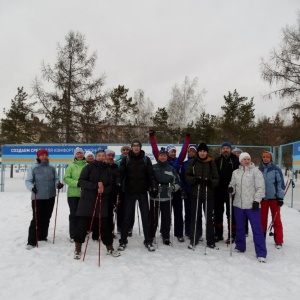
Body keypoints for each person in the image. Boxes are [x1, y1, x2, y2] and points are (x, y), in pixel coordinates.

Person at [74, 148, 120, 259]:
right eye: (99, 155)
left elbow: (111, 185)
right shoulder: (88, 167)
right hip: (87, 201)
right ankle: (78, 249)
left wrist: (104, 189)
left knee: (105, 226)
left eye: (103, 156)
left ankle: (109, 247)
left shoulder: (108, 169)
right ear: (96, 157)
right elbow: (81, 182)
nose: (101, 157)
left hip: (101, 201)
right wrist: (95, 186)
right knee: (82, 226)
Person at [149, 129, 190, 242]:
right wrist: (152, 137)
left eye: (174, 151)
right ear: (166, 154)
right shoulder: (159, 164)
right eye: (171, 151)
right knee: (159, 213)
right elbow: (154, 150)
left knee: (177, 212)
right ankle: (157, 232)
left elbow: (183, 152)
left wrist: (187, 139)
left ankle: (178, 233)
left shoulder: (177, 163)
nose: (173, 153)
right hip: (161, 191)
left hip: (174, 190)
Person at [118, 138, 158, 252]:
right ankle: (123, 241)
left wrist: (153, 186)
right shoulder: (126, 159)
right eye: (134, 145)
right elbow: (121, 174)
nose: (136, 147)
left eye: (138, 145)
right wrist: (118, 182)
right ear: (131, 147)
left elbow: (151, 175)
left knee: (146, 218)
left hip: (142, 192)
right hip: (130, 192)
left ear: (140, 147)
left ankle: (148, 241)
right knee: (127, 218)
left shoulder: (146, 159)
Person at [228, 152, 267, 263]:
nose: (247, 161)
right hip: (238, 204)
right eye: (244, 159)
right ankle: (240, 246)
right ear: (240, 161)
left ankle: (261, 253)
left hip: (252, 205)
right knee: (240, 227)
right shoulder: (236, 172)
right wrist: (231, 188)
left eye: (248, 159)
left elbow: (260, 187)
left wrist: (256, 201)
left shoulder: (256, 172)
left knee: (256, 228)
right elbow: (232, 184)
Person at [25, 149, 63, 249]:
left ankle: (42, 236)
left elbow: (56, 178)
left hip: (50, 196)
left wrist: (57, 184)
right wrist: (31, 188)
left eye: (46, 155)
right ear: (38, 156)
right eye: (42, 155)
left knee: (46, 217)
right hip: (37, 196)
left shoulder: (51, 168)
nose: (44, 157)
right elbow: (28, 181)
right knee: (36, 218)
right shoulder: (33, 168)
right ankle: (31, 241)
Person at [185, 143, 219, 249]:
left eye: (204, 151)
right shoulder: (193, 161)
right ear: (198, 152)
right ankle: (194, 238)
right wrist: (194, 179)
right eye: (201, 151)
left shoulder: (211, 162)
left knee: (209, 218)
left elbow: (216, 178)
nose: (202, 153)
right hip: (196, 193)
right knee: (195, 216)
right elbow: (187, 176)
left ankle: (210, 240)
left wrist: (211, 182)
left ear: (207, 152)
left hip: (208, 194)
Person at [150, 147, 181, 246]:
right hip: (155, 197)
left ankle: (166, 235)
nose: (162, 157)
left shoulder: (171, 169)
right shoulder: (153, 167)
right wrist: (153, 187)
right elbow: (148, 180)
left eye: (164, 155)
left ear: (167, 157)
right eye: (161, 155)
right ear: (158, 157)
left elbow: (177, 182)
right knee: (153, 217)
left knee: (166, 218)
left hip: (167, 197)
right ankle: (151, 235)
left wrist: (173, 187)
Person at [214, 142, 239, 243]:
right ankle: (218, 234)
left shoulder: (236, 160)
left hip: (231, 192)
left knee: (231, 214)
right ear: (221, 150)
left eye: (227, 148)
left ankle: (232, 235)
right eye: (223, 148)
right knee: (218, 213)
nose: (225, 150)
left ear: (230, 149)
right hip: (219, 191)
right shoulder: (217, 160)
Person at [259, 151, 285, 249]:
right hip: (263, 199)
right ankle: (261, 238)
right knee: (262, 219)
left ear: (271, 158)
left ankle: (278, 240)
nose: (265, 159)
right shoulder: (259, 170)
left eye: (267, 157)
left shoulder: (276, 170)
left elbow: (280, 184)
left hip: (274, 198)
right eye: (264, 157)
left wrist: (280, 197)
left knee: (276, 219)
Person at [64, 147, 87, 243]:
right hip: (73, 194)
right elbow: (66, 178)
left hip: (85, 194)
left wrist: (85, 184)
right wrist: (78, 183)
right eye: (77, 154)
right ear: (75, 155)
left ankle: (82, 232)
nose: (79, 155)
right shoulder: (71, 166)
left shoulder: (87, 165)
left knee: (83, 215)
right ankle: (73, 234)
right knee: (74, 214)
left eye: (81, 153)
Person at [115, 145, 135, 235]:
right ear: (121, 151)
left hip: (131, 188)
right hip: (120, 188)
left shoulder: (133, 160)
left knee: (130, 208)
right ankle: (120, 226)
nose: (126, 151)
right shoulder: (117, 161)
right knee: (120, 208)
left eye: (127, 150)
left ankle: (130, 227)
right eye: (124, 150)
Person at [179, 144, 198, 238]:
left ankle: (196, 231)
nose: (191, 153)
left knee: (196, 212)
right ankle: (187, 231)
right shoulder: (185, 163)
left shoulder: (199, 162)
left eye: (193, 151)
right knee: (188, 212)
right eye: (189, 151)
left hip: (197, 191)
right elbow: (182, 176)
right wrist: (182, 187)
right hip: (188, 190)